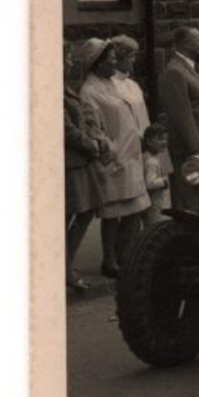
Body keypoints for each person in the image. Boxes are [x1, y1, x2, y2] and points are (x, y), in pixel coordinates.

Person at [78, 38, 152, 277]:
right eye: (110, 59)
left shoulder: (114, 84)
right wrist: (111, 152)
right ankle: (109, 261)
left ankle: (125, 255)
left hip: (133, 156)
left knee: (134, 209)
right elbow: (93, 128)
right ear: (97, 63)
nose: (114, 62)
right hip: (115, 160)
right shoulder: (89, 91)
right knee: (112, 214)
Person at [63, 42, 108, 292]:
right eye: (67, 58)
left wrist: (94, 137)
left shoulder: (65, 87)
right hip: (72, 161)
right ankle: (64, 268)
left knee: (84, 213)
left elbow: (80, 119)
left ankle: (65, 264)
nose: (70, 63)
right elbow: (65, 128)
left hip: (81, 160)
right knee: (70, 216)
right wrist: (90, 144)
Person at [158, 24, 199, 167]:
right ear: (186, 44)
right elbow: (181, 113)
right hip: (187, 149)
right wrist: (196, 148)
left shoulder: (187, 67)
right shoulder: (175, 71)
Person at [142, 122, 172, 216]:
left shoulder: (152, 156)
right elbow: (150, 183)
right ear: (149, 142)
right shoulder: (151, 161)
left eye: (165, 139)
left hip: (157, 201)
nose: (164, 142)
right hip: (155, 203)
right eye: (160, 139)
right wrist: (164, 181)